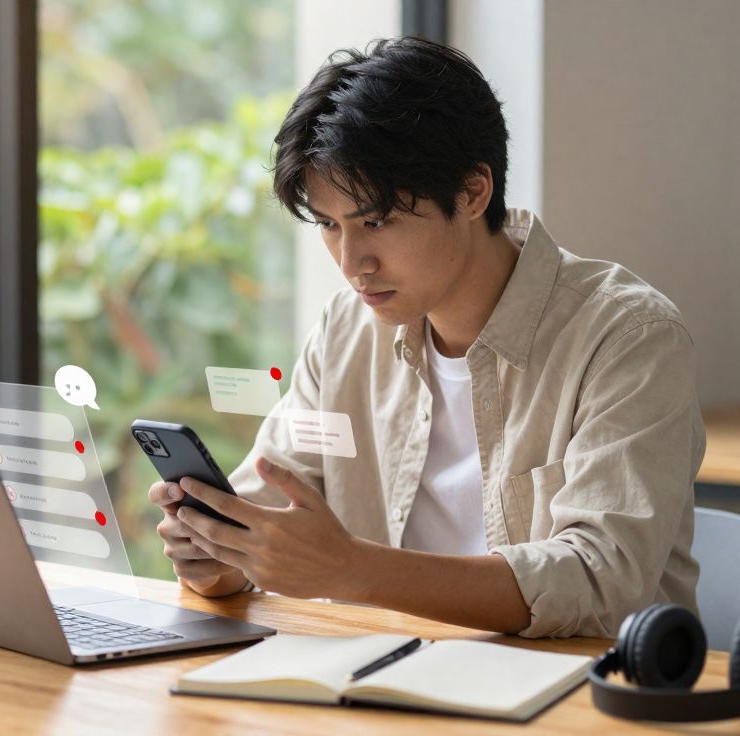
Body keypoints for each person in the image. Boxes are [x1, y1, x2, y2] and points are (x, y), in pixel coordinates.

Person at [147, 37, 705, 638]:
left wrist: (354, 571)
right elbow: (267, 515)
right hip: (380, 684)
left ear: (471, 192)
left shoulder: (627, 337)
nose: (351, 261)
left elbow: (601, 583)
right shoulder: (346, 330)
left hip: (575, 699)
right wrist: (215, 553)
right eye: (330, 226)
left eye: (377, 221)